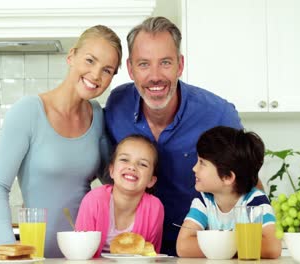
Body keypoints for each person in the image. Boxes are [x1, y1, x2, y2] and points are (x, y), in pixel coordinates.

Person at [104, 16, 247, 256]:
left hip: (200, 252)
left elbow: (247, 183)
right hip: (132, 253)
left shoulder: (218, 114)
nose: (155, 76)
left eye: (166, 63)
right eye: (144, 64)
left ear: (180, 65)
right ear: (130, 69)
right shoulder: (117, 106)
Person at [0, 25, 122, 258]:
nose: (96, 75)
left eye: (107, 70)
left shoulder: (97, 114)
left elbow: (112, 180)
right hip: (37, 256)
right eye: (90, 60)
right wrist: (11, 251)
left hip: (85, 255)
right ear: (71, 56)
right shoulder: (28, 112)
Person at [176, 126, 281, 259]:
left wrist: (219, 248)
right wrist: (244, 246)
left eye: (202, 163)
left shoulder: (255, 202)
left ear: (227, 177)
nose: (194, 168)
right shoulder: (204, 200)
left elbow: (272, 247)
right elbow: (183, 247)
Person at [75, 134, 164, 257]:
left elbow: (150, 256)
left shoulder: (154, 208)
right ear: (111, 170)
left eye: (142, 164)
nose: (132, 167)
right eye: (124, 160)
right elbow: (81, 253)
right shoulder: (94, 200)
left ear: (151, 181)